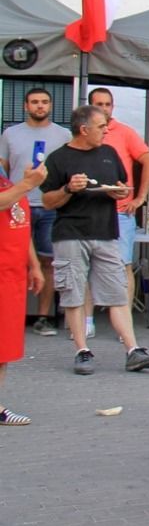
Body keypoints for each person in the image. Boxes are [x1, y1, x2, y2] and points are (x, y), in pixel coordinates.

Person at [40, 104, 149, 376]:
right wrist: (69, 188)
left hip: (106, 232)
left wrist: (119, 193)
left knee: (117, 293)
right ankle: (82, 350)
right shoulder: (58, 159)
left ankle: (133, 350)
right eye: (101, 127)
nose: (106, 130)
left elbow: (119, 185)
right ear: (84, 129)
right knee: (73, 293)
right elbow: (47, 202)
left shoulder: (109, 153)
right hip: (70, 233)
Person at [0, 86, 71, 335]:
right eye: (34, 102)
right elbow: (4, 170)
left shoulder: (63, 135)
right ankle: (12, 314)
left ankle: (43, 316)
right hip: (16, 206)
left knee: (47, 261)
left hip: (48, 206)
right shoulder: (10, 134)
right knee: (14, 260)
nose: (39, 106)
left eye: (44, 102)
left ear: (50, 106)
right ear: (25, 106)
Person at [87, 88, 149, 324]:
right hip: (89, 212)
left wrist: (141, 197)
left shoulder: (124, 132)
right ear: (90, 107)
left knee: (124, 266)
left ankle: (124, 322)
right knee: (87, 267)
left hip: (120, 212)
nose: (104, 109)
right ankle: (86, 323)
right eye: (99, 104)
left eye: (107, 104)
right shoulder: (82, 133)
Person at [0, 163, 48, 424]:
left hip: (11, 275)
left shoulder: (5, 179)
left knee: (3, 347)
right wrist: (28, 185)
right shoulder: (14, 184)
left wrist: (34, 264)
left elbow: (19, 217)